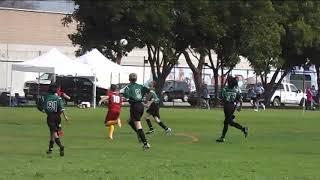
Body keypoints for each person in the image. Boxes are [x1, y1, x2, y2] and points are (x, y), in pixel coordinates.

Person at [37, 84, 68, 156]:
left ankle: (61, 146)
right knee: (52, 132)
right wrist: (65, 116)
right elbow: (62, 108)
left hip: (50, 117)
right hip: (58, 117)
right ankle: (50, 149)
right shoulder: (58, 98)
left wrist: (43, 110)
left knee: (54, 133)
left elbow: (39, 105)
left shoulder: (46, 97)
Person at [216, 76, 248, 143]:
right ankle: (223, 137)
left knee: (228, 122)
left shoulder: (225, 89)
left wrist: (221, 101)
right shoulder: (235, 90)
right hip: (233, 106)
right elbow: (241, 99)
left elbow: (221, 97)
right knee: (227, 122)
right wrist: (240, 107)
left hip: (227, 106)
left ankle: (243, 129)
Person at [123, 73, 151, 150]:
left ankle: (145, 143)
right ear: (136, 79)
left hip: (135, 107)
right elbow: (150, 92)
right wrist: (146, 101)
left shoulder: (128, 88)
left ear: (129, 79)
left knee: (138, 125)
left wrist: (127, 98)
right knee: (129, 121)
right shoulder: (141, 86)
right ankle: (139, 134)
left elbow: (126, 96)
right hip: (141, 106)